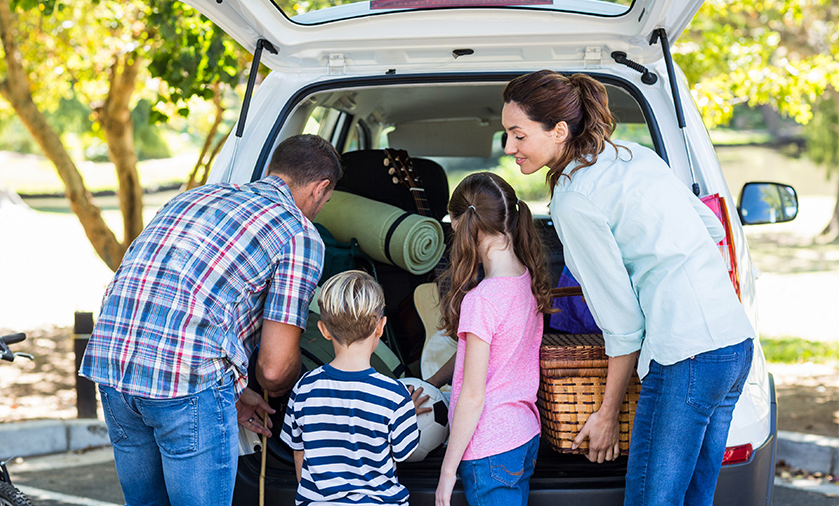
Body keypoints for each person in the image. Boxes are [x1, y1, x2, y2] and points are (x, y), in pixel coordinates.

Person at [501, 70, 755, 505]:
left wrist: (605, 413)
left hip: (686, 355)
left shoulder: (574, 198)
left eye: (518, 135)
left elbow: (621, 323)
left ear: (559, 131)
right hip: (734, 343)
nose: (509, 148)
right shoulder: (633, 156)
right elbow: (710, 225)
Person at [79, 134, 342, 505]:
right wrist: (306, 389)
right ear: (321, 189)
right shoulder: (298, 233)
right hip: (185, 384)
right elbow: (273, 369)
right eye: (326, 202)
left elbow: (175, 302)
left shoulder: (194, 196)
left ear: (271, 171)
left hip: (112, 366)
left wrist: (233, 392)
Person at [434, 172, 554, 506]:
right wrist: (430, 380)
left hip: (488, 448)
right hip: (523, 434)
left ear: (464, 226)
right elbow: (479, 358)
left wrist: (446, 472)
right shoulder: (526, 279)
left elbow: (473, 395)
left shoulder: (482, 299)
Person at [281, 270, 420, 506]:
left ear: (324, 329)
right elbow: (404, 453)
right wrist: (408, 413)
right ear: (381, 327)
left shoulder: (304, 388)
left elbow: (299, 452)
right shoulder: (395, 396)